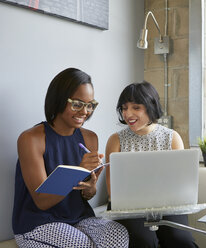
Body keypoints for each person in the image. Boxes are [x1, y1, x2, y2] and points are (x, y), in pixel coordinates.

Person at [12, 68, 129, 248]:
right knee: (80, 243)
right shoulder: (31, 139)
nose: (85, 111)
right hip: (38, 222)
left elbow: (86, 195)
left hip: (79, 218)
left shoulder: (90, 138)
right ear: (59, 99)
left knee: (117, 234)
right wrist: (77, 170)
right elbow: (42, 201)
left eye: (90, 105)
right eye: (77, 103)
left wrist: (90, 188)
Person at [105, 81, 199, 248]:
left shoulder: (172, 137)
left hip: (168, 205)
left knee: (181, 240)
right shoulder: (116, 140)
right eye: (124, 108)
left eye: (136, 107)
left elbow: (181, 184)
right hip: (129, 208)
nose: (128, 114)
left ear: (151, 107)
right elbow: (112, 190)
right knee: (144, 242)